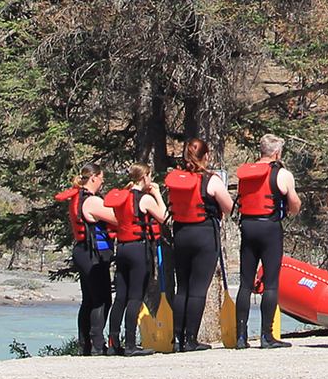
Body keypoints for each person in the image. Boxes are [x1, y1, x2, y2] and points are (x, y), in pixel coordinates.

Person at [234, 134, 303, 349]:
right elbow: (294, 206)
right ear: (276, 153)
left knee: (245, 282)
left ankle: (241, 337)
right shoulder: (282, 174)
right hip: (270, 227)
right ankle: (266, 336)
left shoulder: (246, 174)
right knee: (271, 282)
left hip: (248, 226)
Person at [163, 138, 232, 352]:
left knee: (182, 286)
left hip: (181, 233)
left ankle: (177, 338)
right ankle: (190, 339)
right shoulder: (210, 180)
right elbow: (228, 207)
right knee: (198, 289)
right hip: (204, 234)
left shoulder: (176, 179)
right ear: (206, 156)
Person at [104, 163, 168, 355]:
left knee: (121, 297)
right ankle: (130, 344)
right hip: (138, 249)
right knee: (135, 297)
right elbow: (164, 216)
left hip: (122, 248)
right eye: (149, 176)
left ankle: (113, 343)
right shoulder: (145, 199)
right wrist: (157, 194)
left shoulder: (121, 197)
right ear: (144, 177)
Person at [65, 163, 119, 355]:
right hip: (93, 254)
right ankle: (97, 344)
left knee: (88, 299)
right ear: (94, 177)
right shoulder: (92, 201)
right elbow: (117, 219)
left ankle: (85, 345)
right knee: (101, 299)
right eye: (102, 177)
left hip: (83, 251)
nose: (103, 181)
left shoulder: (78, 196)